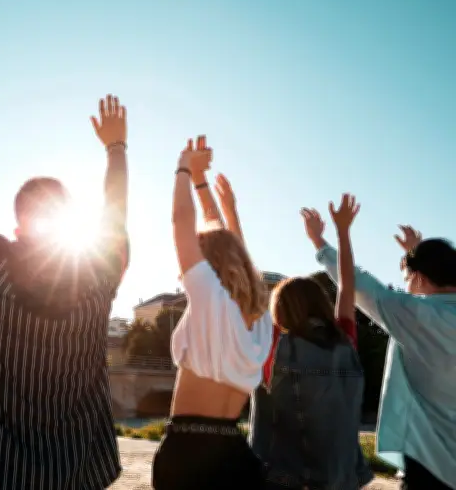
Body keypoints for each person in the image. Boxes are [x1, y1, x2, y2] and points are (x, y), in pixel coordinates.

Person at [0, 85, 130, 489]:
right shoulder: (96, 276)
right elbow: (116, 210)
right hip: (74, 473)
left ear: (17, 226)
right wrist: (116, 146)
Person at [305, 208, 456, 490]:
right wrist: (417, 254)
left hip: (432, 467)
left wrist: (320, 243)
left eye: (408, 275)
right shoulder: (422, 314)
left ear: (421, 277)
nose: (406, 284)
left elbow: (359, 285)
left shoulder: (417, 316)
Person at [152, 136, 272, 489]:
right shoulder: (260, 317)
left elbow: (180, 222)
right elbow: (238, 252)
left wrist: (183, 168)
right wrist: (206, 188)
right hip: (236, 455)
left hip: (188, 454)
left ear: (210, 262)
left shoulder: (209, 299)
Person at [249, 194, 372, 489]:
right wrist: (339, 234)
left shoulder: (274, 345)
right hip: (341, 478)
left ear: (279, 312)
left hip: (284, 479)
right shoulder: (345, 341)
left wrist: (228, 210)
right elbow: (347, 285)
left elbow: (249, 287)